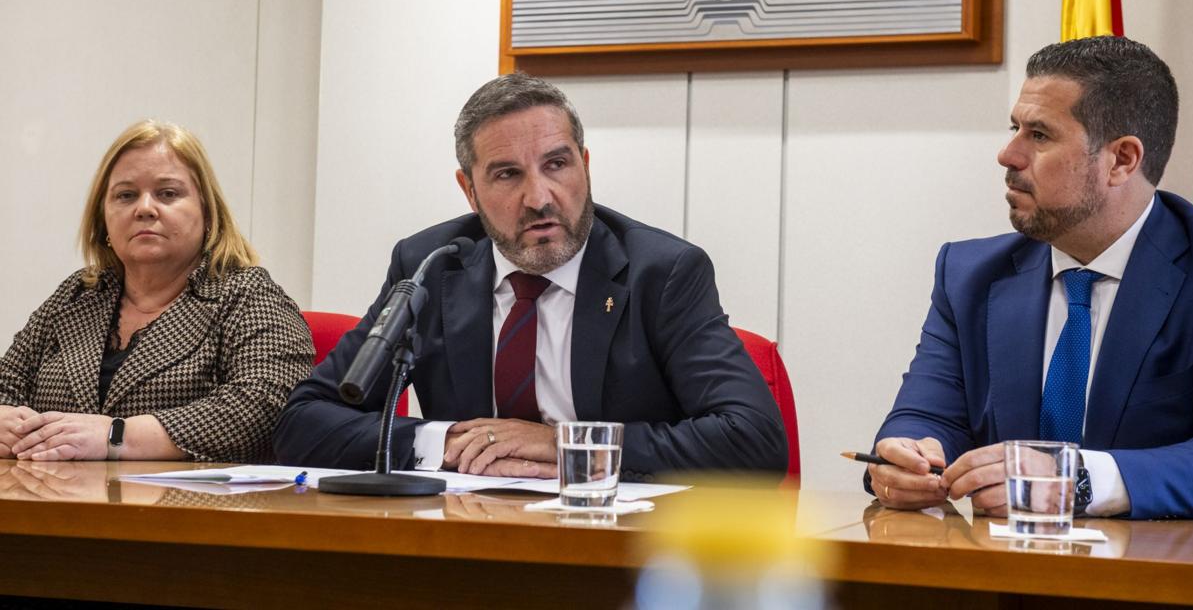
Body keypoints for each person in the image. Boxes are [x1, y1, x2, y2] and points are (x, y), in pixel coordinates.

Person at [274, 73, 787, 478]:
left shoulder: (662, 272)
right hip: (468, 538)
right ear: (469, 191)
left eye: (557, 164)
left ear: (585, 165)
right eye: (507, 174)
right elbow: (305, 422)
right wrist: (447, 442)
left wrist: (568, 445)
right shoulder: (432, 265)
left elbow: (753, 438)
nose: (539, 197)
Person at [868, 35, 1193, 520]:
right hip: (1001, 577)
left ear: (1122, 160)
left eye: (1039, 136)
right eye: (1014, 129)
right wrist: (906, 458)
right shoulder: (970, 275)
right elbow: (929, 415)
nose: (1008, 154)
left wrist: (1079, 480)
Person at [0, 120, 314, 463]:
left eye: (168, 194)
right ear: (103, 219)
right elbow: (9, 382)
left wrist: (116, 437)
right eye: (126, 195)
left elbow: (266, 406)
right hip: (52, 506)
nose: (145, 208)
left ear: (207, 213)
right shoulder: (78, 294)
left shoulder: (248, 295)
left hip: (187, 509)